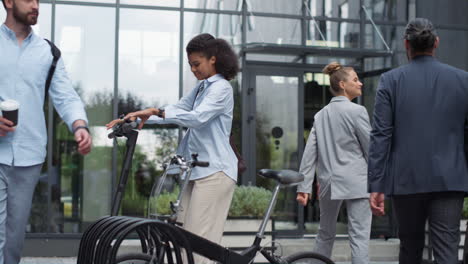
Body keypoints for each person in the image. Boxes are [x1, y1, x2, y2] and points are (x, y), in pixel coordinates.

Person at [106, 33, 239, 264]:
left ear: (213, 59)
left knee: (199, 244)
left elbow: (197, 118)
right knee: (183, 237)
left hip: (216, 172)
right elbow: (177, 109)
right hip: (197, 171)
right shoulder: (201, 88)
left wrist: (155, 112)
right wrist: (136, 119)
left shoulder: (221, 89)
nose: (193, 70)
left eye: (197, 64)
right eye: (190, 65)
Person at [368, 18, 468, 264]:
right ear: (436, 43)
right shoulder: (463, 80)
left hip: (406, 180)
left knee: (410, 249)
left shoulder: (391, 80)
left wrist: (376, 184)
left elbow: (381, 134)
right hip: (450, 180)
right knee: (447, 251)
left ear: (406, 44)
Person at [0, 0, 92, 263]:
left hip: (28, 157)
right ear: (8, 2)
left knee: (14, 238)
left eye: (38, 0)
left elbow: (66, 96)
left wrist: (80, 125)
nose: (35, 5)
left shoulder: (48, 53)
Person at [296, 62, 372, 264]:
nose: (360, 83)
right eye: (355, 79)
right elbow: (371, 150)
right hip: (357, 181)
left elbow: (310, 153)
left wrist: (304, 187)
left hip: (328, 182)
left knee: (325, 234)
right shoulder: (358, 111)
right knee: (359, 237)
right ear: (342, 84)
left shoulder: (320, 115)